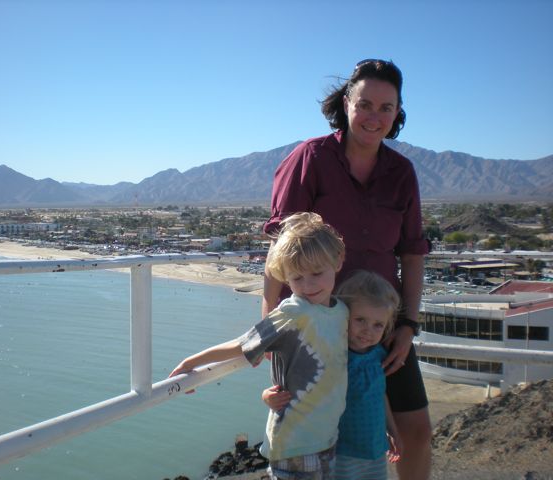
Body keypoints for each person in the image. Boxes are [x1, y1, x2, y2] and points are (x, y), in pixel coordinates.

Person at [263, 59, 431, 480]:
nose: (375, 117)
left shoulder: (401, 173)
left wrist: (408, 325)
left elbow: (411, 255)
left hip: (381, 326)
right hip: (320, 324)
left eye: (386, 108)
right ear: (346, 104)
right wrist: (270, 324)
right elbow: (282, 250)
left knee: (416, 433)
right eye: (365, 104)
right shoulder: (311, 158)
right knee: (327, 435)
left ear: (397, 114)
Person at [170, 212, 349, 480]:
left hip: (326, 436)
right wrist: (191, 363)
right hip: (294, 442)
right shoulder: (293, 311)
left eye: (316, 273)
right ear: (285, 277)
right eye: (297, 278)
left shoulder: (341, 311)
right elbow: (243, 344)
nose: (308, 285)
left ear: (337, 262)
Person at [264, 270, 404, 479]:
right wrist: (267, 396)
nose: (368, 331)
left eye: (378, 325)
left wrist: (392, 430)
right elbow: (298, 385)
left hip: (375, 449)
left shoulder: (378, 355)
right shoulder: (333, 355)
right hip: (341, 449)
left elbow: (379, 394)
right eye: (360, 320)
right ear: (343, 315)